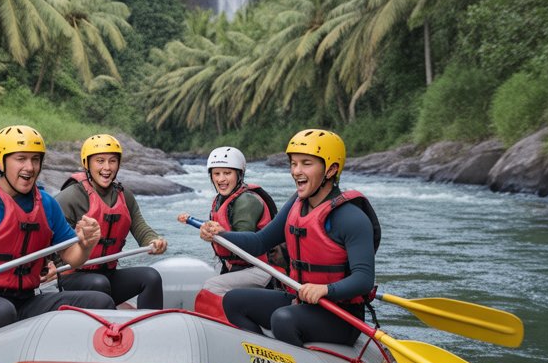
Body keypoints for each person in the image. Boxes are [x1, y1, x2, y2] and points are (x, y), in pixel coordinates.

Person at [0, 124, 115, 336]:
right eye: (21, 158)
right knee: (2, 311)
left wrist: (86, 244)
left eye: (35, 159)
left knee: (100, 301)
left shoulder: (47, 205)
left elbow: (74, 258)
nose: (29, 167)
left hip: (26, 300)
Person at [198, 129, 380, 347]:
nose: (296, 171)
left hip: (341, 315)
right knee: (233, 301)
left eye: (306, 163)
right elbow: (259, 243)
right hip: (300, 300)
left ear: (331, 170)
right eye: (293, 164)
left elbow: (363, 279)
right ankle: (259, 355)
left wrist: (325, 290)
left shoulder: (350, 217)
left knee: (283, 318)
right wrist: (220, 234)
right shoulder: (297, 205)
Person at [55, 133, 168, 309]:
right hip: (72, 277)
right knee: (99, 283)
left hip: (107, 274)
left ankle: (149, 324)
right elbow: (52, 239)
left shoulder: (125, 196)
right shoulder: (70, 197)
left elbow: (140, 227)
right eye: (100, 161)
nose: (107, 167)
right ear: (87, 163)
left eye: (112, 161)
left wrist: (153, 240)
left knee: (151, 277)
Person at [177, 145, 280, 301]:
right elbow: (222, 229)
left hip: (261, 269)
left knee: (211, 288)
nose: (221, 179)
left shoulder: (247, 201)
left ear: (239, 174)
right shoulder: (222, 199)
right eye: (216, 173)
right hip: (238, 266)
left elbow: (245, 242)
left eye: (227, 173)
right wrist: (196, 224)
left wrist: (217, 234)